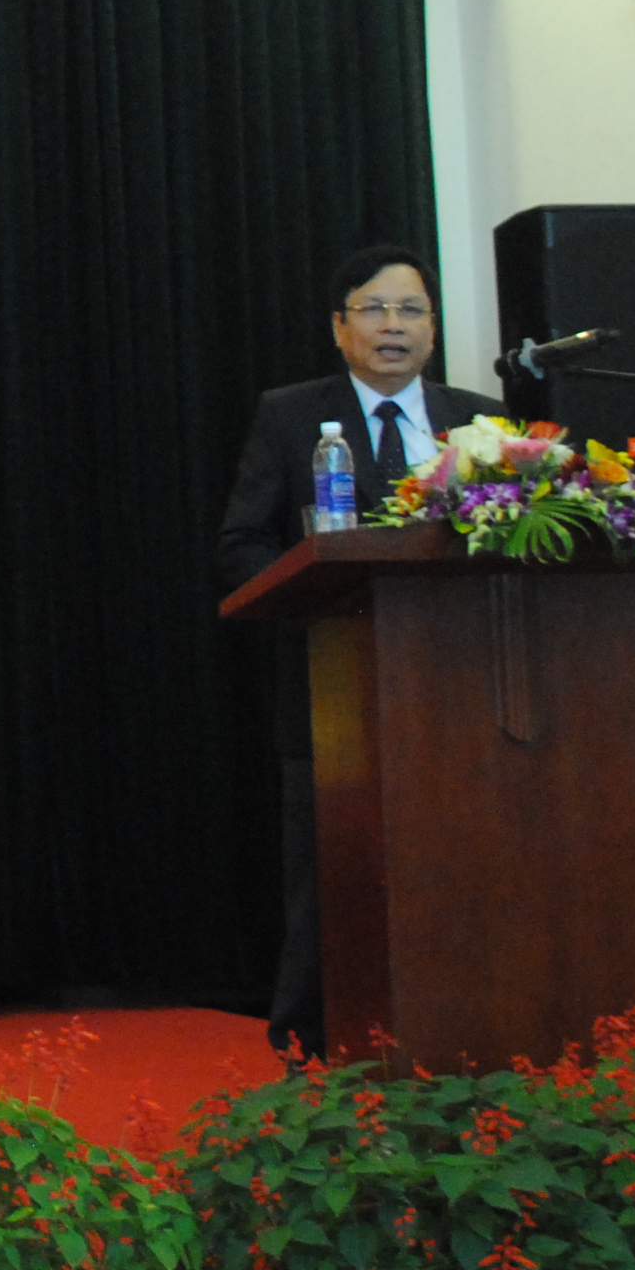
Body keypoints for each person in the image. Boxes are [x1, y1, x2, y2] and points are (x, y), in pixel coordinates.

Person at [216, 243, 495, 1060]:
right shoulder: (291, 417)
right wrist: (317, 590)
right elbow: (241, 544)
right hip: (334, 688)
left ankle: (469, 1033)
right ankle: (311, 1048)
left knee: (464, 867)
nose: (393, 325)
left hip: (461, 690)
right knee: (332, 877)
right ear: (341, 329)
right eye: (374, 309)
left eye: (410, 310)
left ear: (434, 329)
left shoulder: (481, 422)